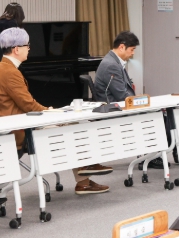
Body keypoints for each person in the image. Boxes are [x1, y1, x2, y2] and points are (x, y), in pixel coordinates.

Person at [0, 28, 109, 195]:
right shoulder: (9, 72)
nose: (29, 48)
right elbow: (28, 105)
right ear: (16, 49)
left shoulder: (5, 68)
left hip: (18, 124)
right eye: (27, 46)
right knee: (73, 126)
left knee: (72, 124)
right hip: (19, 130)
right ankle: (84, 175)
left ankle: (85, 173)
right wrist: (49, 111)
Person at [94, 31, 179, 169]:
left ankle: (174, 150)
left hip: (122, 106)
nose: (133, 53)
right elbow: (122, 96)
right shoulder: (111, 65)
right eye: (132, 50)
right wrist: (143, 102)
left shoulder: (114, 61)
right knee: (158, 113)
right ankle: (154, 156)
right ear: (122, 47)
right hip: (116, 110)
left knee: (165, 111)